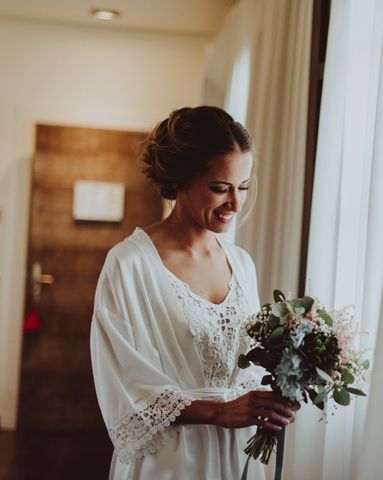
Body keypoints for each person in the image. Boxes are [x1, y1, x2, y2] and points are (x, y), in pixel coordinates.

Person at [90, 106, 299, 480]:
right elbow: (124, 380)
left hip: (237, 454)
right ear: (180, 180)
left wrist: (275, 395)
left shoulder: (242, 264)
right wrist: (218, 412)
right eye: (220, 188)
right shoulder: (130, 264)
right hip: (169, 459)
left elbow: (245, 364)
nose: (235, 204)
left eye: (244, 187)